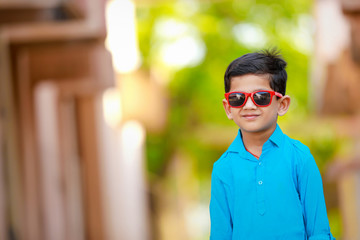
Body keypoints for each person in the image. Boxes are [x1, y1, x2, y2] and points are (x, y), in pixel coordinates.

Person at [209, 49, 335, 240]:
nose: (249, 106)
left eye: (261, 97)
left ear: (282, 104)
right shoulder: (222, 169)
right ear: (228, 108)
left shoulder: (300, 158)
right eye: (238, 98)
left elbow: (319, 232)